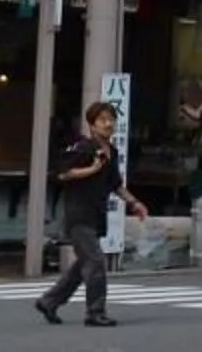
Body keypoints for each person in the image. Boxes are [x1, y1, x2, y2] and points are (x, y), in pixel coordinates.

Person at [36, 100, 146, 328]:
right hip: (78, 214)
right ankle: (95, 312)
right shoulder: (84, 148)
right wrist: (91, 169)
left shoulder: (111, 153)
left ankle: (49, 301)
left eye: (111, 119)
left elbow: (116, 185)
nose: (108, 124)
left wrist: (134, 203)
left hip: (96, 214)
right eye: (103, 120)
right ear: (92, 125)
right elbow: (62, 174)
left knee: (83, 265)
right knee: (95, 261)